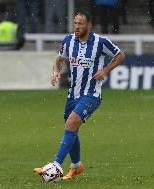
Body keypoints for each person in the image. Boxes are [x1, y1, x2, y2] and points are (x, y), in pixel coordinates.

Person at [34, 11, 125, 180]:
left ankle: (55, 166)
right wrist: (55, 72)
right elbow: (59, 59)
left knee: (71, 122)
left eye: (80, 23)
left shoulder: (100, 42)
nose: (76, 26)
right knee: (71, 127)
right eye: (75, 23)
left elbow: (120, 55)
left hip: (91, 94)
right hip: (73, 94)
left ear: (89, 25)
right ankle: (76, 166)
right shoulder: (69, 40)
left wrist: (105, 70)